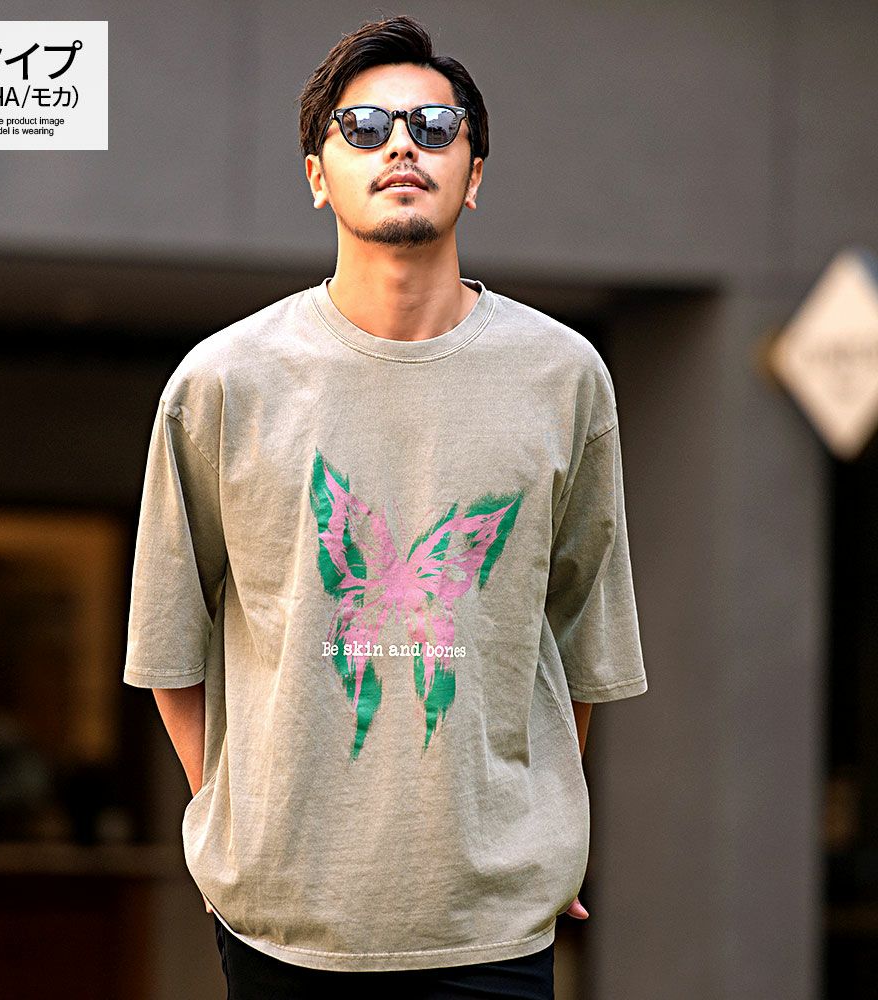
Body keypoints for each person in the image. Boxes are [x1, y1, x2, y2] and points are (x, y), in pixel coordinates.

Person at [123, 14, 647, 999]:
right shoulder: (224, 383)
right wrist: (240, 833)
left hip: (490, 925)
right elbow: (167, 644)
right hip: (282, 923)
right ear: (316, 175)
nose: (401, 145)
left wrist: (537, 825)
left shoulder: (562, 376)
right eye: (363, 127)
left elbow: (581, 640)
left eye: (433, 126)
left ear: (474, 173)